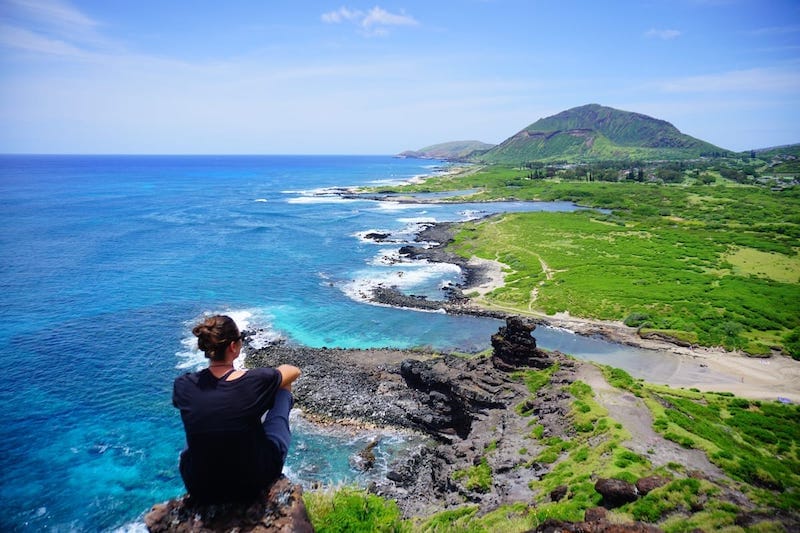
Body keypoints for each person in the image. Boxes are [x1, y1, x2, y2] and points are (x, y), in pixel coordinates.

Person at [172, 315, 301, 504]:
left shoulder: (183, 385)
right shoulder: (255, 381)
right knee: (283, 389)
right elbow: (293, 371)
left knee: (203, 424)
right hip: (252, 481)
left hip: (199, 484)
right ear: (233, 346)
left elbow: (216, 401)